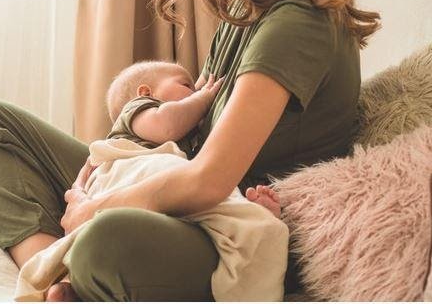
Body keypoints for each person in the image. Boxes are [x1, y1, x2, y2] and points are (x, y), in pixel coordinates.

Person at [0, 0, 380, 300]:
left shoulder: (297, 24)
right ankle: (50, 264)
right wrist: (117, 167)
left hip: (230, 229)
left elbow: (210, 180)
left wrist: (96, 207)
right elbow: (190, 138)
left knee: (104, 243)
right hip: (183, 192)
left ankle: (68, 261)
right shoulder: (245, 11)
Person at [37, 60, 281, 301]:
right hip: (129, 175)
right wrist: (204, 100)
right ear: (145, 92)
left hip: (136, 196)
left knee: (199, 207)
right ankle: (248, 219)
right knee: (228, 210)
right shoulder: (138, 109)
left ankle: (71, 289)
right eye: (187, 85)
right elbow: (167, 125)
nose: (195, 91)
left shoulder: (187, 142)